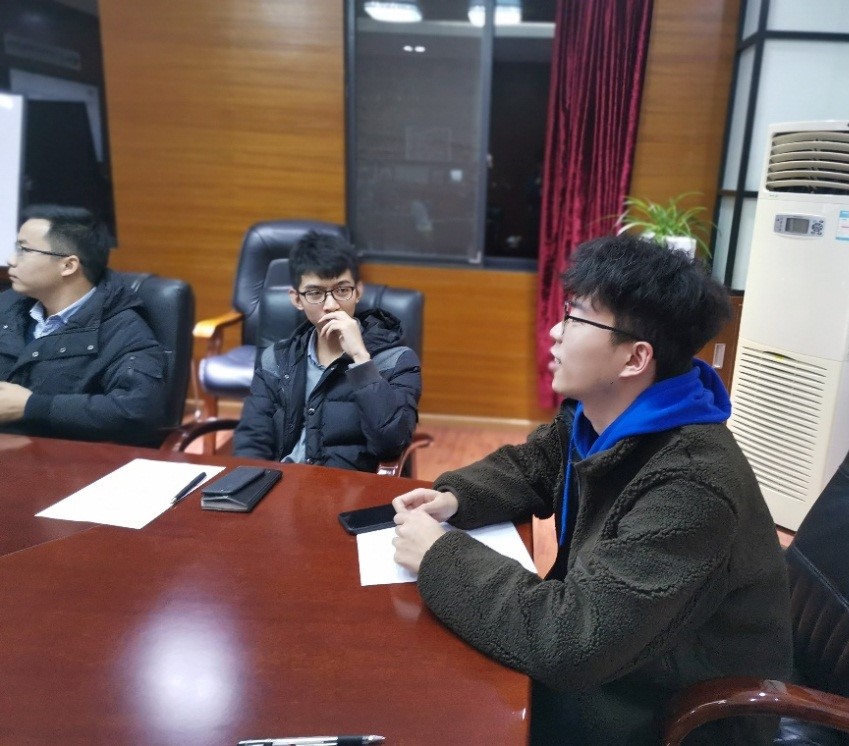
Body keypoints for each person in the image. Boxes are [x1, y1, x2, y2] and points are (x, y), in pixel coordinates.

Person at [391, 235, 792, 745]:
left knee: (440, 709)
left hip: (669, 707)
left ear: (634, 359)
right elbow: (536, 464)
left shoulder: (692, 488)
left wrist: (439, 556)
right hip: (621, 660)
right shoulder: (603, 413)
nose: (555, 331)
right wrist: (455, 497)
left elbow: (572, 643)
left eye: (577, 319)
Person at [234, 230, 421, 471]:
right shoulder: (276, 360)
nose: (331, 305)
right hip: (280, 483)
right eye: (316, 293)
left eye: (342, 290)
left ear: (358, 291)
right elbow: (251, 441)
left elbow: (390, 444)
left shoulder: (396, 361)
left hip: (347, 489)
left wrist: (361, 360)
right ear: (296, 299)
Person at [0, 205, 166, 444]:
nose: (11, 260)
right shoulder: (9, 305)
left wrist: (32, 406)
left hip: (60, 458)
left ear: (68, 265)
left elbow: (137, 411)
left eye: (24, 250)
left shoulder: (123, 330)